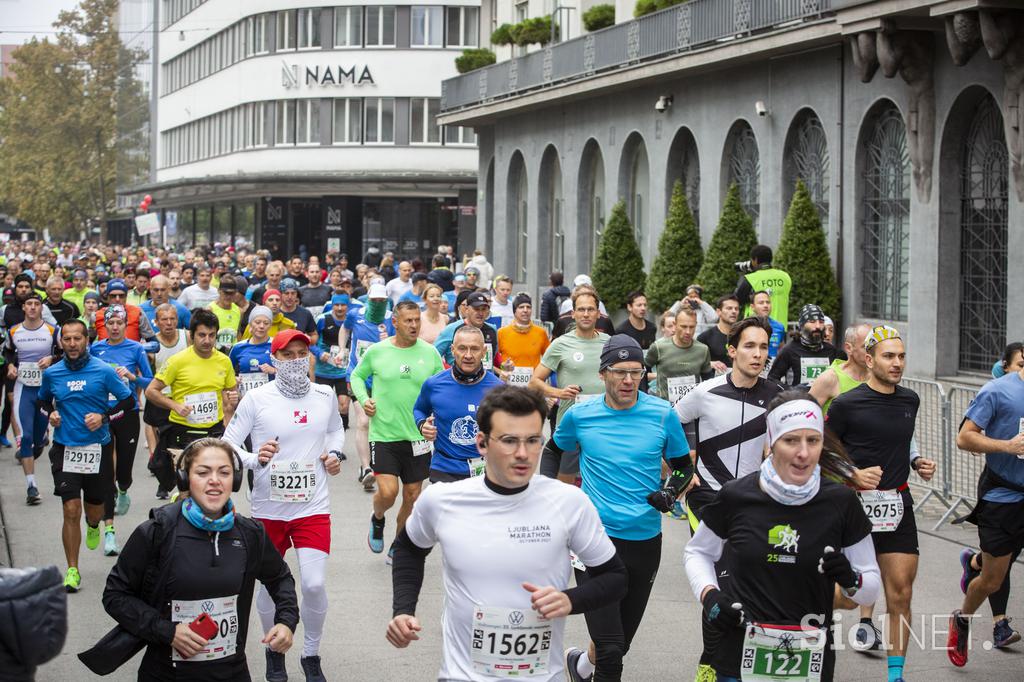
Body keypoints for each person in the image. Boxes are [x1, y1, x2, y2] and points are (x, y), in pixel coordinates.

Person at [387, 385, 628, 681]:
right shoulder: (441, 500)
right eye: (509, 441)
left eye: (533, 440)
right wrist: (403, 610)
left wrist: (571, 600)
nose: (523, 454)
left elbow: (615, 577)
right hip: (463, 676)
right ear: (482, 443)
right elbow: (409, 549)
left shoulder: (570, 503)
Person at [683, 393, 881, 682]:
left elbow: (870, 588)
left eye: (813, 441)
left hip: (810, 654)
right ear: (771, 443)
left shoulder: (841, 502)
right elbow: (697, 552)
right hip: (740, 651)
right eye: (791, 441)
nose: (803, 453)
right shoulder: (737, 496)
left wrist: (852, 580)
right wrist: (710, 596)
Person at [554, 335, 693, 681]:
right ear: (603, 374)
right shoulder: (580, 415)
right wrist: (544, 496)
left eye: (636, 372)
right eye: (620, 372)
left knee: (617, 644)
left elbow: (682, 467)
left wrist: (670, 492)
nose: (629, 380)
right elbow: (553, 451)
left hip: (645, 541)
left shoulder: (662, 414)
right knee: (613, 650)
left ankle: (581, 667)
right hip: (593, 540)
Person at [101, 438, 298, 680]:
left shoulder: (249, 534)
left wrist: (286, 622)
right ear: (185, 479)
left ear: (234, 480)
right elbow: (115, 595)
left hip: (232, 673)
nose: (214, 480)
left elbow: (280, 578)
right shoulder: (157, 532)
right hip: (166, 674)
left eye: (224, 472)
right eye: (203, 472)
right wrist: (168, 632)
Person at [224, 330, 344, 682]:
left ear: (310, 356)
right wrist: (254, 458)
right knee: (267, 587)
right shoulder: (257, 399)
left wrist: (335, 454)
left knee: (314, 585)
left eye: (300, 353)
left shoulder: (325, 393)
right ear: (274, 361)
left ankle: (310, 654)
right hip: (268, 509)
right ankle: (274, 652)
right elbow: (229, 444)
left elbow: (336, 431)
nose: (295, 360)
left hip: (312, 507)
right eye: (287, 354)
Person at [674, 316, 784, 679]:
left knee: (746, 586)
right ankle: (712, 666)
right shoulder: (705, 392)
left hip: (753, 505)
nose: (757, 354)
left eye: (763, 347)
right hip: (707, 503)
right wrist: (683, 470)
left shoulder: (776, 396)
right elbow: (672, 424)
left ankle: (733, 662)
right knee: (719, 585)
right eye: (749, 346)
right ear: (733, 351)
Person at [826, 325, 936, 682]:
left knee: (900, 593)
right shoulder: (846, 403)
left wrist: (917, 462)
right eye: (889, 356)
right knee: (851, 595)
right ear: (869, 359)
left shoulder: (910, 400)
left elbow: (900, 442)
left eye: (901, 356)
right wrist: (853, 474)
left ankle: (895, 676)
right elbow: (823, 451)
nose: (897, 363)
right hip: (855, 508)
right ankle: (816, 607)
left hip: (897, 505)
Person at [38, 318, 134, 592]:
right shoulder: (53, 374)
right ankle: (72, 570)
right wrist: (51, 414)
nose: (71, 344)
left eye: (76, 338)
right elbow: (43, 402)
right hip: (65, 448)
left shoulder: (103, 371)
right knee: (70, 509)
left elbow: (127, 403)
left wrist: (104, 416)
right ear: (61, 342)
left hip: (98, 449)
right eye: (66, 339)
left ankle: (94, 524)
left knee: (93, 511)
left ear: (86, 340)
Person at [350, 301, 444, 563]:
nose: (414, 325)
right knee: (388, 493)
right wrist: (364, 398)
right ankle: (377, 518)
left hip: (418, 438)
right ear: (396, 322)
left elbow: (441, 386)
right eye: (408, 321)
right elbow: (357, 376)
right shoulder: (378, 351)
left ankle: (400, 543)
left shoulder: (430, 353)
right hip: (384, 435)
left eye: (417, 320)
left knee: (412, 495)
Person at [947, 349, 1024, 665]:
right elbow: (965, 439)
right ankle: (962, 618)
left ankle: (976, 562)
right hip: (1003, 498)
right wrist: (1007, 445)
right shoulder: (998, 390)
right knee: (993, 579)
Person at [144, 309, 240, 499]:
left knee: (214, 490)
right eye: (202, 335)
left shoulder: (224, 361)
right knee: (188, 491)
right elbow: (151, 391)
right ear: (192, 334)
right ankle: (181, 505)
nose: (207, 340)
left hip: (213, 431)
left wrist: (233, 400)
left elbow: (230, 394)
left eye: (212, 335)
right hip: (182, 432)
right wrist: (174, 405)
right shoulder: (178, 361)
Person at [529, 290, 610, 484]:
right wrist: (559, 393)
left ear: (598, 313)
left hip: (604, 423)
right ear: (572, 313)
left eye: (590, 309)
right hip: (571, 423)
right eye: (581, 309)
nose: (586, 314)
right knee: (566, 482)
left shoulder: (608, 343)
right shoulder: (561, 344)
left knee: (602, 481)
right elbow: (534, 381)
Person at [91, 304, 153, 555]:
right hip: (103, 414)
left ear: (126, 325)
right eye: (110, 323)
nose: (115, 327)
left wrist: (131, 375)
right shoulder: (95, 349)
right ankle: (109, 533)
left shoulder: (136, 348)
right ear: (104, 326)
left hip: (126, 413)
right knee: (105, 472)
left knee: (123, 471)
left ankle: (124, 488)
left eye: (119, 323)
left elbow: (150, 381)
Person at [415, 325, 503, 482]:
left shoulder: (499, 389)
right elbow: (419, 409)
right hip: (444, 467)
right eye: (462, 348)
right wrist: (422, 425)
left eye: (474, 349)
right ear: (453, 350)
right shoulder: (434, 384)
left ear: (484, 352)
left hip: (485, 470)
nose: (468, 355)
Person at [4, 292, 59, 505]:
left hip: (45, 391)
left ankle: (35, 447)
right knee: (26, 437)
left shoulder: (53, 331)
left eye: (37, 304)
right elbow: (8, 352)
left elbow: (64, 354)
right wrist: (10, 365)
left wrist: (52, 358)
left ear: (41, 308)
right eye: (29, 304)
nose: (33, 307)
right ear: (24, 307)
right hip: (23, 389)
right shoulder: (14, 331)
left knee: (38, 441)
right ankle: (31, 486)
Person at [144, 303, 190, 465]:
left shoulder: (188, 337)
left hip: (183, 396)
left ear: (177, 320)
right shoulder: (151, 344)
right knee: (153, 426)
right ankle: (154, 456)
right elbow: (145, 372)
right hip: (160, 396)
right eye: (164, 319)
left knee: (175, 438)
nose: (169, 323)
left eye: (172, 319)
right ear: (156, 322)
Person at [644, 307, 713, 404]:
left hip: (692, 408)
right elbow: (642, 372)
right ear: (675, 325)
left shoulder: (703, 350)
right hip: (665, 408)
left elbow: (708, 381)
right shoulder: (659, 347)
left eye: (692, 327)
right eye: (684, 327)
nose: (688, 332)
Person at [809, 323, 872, 414]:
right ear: (849, 348)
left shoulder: (877, 376)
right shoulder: (829, 378)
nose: (873, 351)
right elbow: (806, 417)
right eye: (866, 347)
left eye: (875, 346)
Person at [769, 303, 837, 387]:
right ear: (802, 325)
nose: (818, 326)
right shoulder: (789, 350)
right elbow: (772, 379)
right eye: (812, 322)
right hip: (798, 399)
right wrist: (790, 390)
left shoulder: (832, 351)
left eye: (821, 322)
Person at [433, 291, 500, 370]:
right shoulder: (452, 329)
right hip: (457, 379)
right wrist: (448, 370)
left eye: (483, 309)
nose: (480, 313)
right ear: (467, 309)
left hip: (485, 380)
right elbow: (433, 355)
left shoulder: (492, 329)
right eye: (476, 309)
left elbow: (493, 358)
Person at [312, 295, 351, 432]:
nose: (339, 308)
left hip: (343, 371)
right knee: (323, 408)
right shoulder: (322, 319)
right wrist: (319, 353)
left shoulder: (351, 320)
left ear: (348, 305)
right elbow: (310, 343)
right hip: (323, 371)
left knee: (344, 405)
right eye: (336, 305)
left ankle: (340, 438)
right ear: (332, 305)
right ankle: (324, 442)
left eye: (343, 305)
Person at [496, 293, 549, 387]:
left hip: (533, 386)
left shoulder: (541, 333)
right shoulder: (502, 332)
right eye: (521, 307)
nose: (525, 310)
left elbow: (549, 360)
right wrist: (502, 372)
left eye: (528, 307)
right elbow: (493, 360)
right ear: (514, 311)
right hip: (508, 387)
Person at [733, 244, 792, 327]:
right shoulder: (785, 276)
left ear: (755, 260)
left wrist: (745, 274)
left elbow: (737, 299)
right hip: (780, 329)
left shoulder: (751, 278)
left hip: (757, 328)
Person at [697, 295, 740, 373]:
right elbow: (696, 363)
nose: (734, 311)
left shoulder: (743, 336)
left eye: (736, 309)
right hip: (715, 382)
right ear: (718, 312)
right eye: (729, 308)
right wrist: (710, 364)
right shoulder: (704, 337)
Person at [750, 290, 786, 374]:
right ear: (752, 307)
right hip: (753, 370)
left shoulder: (779, 326)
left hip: (773, 372)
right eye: (761, 303)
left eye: (768, 302)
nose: (765, 305)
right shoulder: (745, 326)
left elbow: (781, 348)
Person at [207, 276, 241, 352]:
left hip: (232, 353)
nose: (228, 296)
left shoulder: (239, 310)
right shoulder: (210, 310)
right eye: (225, 293)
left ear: (235, 293)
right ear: (219, 291)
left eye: (231, 293)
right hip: (214, 353)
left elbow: (238, 332)